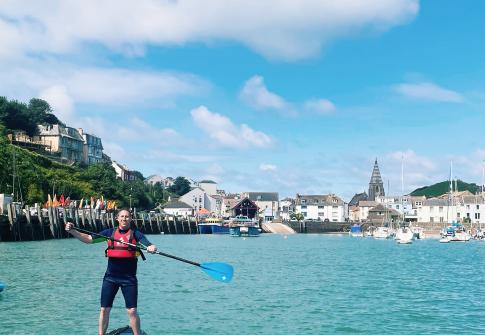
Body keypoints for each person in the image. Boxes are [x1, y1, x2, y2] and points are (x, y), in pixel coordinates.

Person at [65, 209, 157, 335]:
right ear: (117, 218)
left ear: (131, 219)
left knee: (132, 311)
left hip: (129, 279)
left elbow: (148, 244)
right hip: (110, 278)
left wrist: (152, 248)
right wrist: (72, 231)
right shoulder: (109, 233)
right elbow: (88, 239)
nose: (124, 219)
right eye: (122, 216)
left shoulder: (136, 234)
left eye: (127, 217)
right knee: (104, 309)